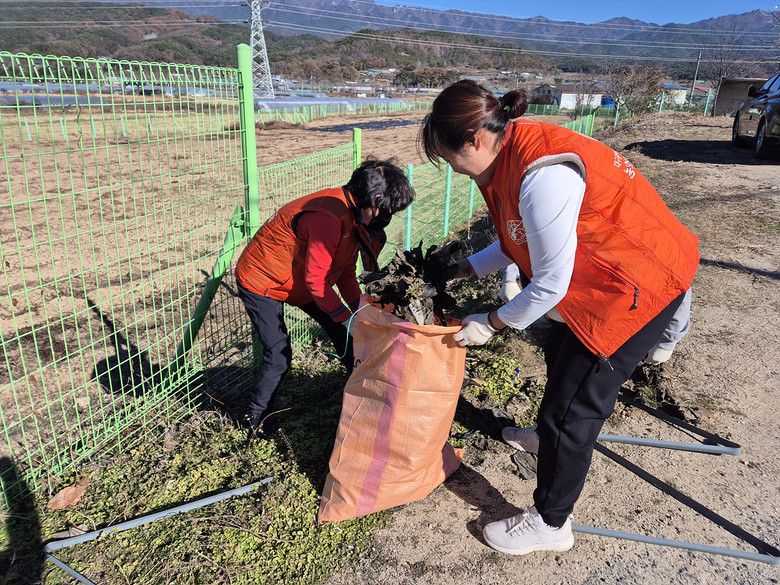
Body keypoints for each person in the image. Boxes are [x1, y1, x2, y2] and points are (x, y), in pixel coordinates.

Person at [420, 80, 699, 556]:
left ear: (474, 139)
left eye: (450, 159)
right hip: (603, 276)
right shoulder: (510, 148)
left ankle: (551, 522)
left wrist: (492, 322)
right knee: (558, 362)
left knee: (571, 412)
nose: (454, 170)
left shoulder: (543, 175)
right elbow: (518, 237)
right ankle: (545, 441)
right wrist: (465, 268)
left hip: (636, 288)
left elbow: (550, 285)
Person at [234, 158, 414, 438]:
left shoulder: (353, 215)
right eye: (388, 209)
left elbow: (344, 272)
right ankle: (254, 420)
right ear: (375, 200)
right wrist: (346, 318)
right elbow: (317, 282)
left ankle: (365, 391)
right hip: (263, 280)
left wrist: (359, 311)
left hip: (303, 281)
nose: (387, 217)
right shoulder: (327, 218)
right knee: (278, 353)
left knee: (347, 334)